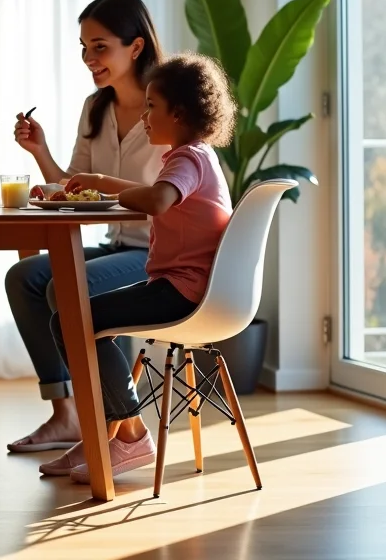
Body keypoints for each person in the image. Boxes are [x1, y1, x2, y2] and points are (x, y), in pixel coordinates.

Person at [38, 53, 236, 482]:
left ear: (179, 113)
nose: (145, 116)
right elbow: (155, 192)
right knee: (74, 317)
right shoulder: (196, 156)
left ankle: (127, 433)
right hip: (188, 287)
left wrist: (108, 187)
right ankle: (109, 432)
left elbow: (158, 200)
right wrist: (102, 182)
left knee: (71, 320)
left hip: (181, 292)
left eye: (152, 106)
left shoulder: (187, 159)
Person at [4, 0, 169, 453]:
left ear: (135, 47)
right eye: (83, 47)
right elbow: (73, 186)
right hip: (118, 247)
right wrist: (40, 152)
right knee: (24, 278)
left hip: (158, 252)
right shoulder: (95, 108)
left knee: (64, 286)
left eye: (100, 46)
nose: (88, 58)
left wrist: (98, 182)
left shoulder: (170, 109)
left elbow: (168, 197)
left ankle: (122, 425)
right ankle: (68, 414)